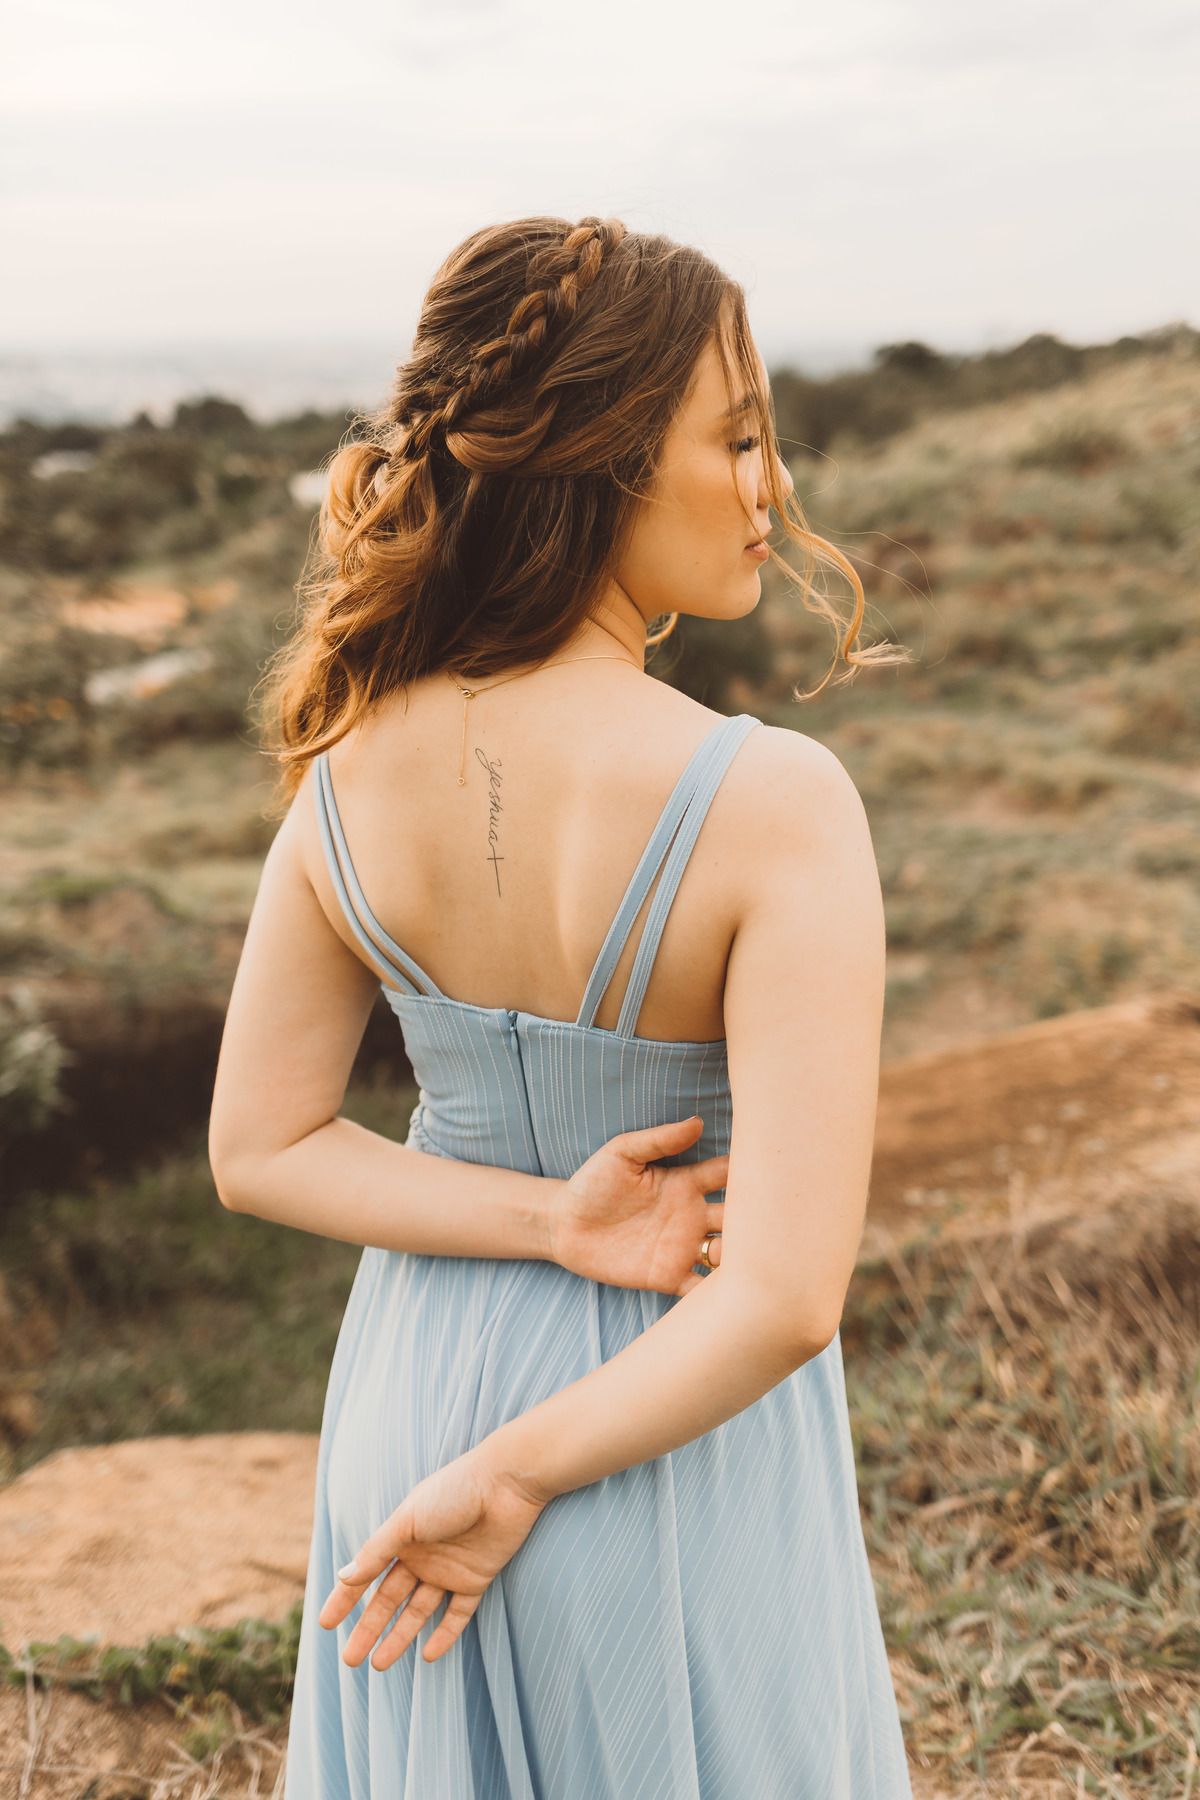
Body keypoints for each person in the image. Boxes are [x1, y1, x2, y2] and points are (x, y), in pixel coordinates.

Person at [209, 215, 910, 1800]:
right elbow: (785, 1296)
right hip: (655, 1424)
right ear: (598, 456)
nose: (770, 487)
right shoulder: (774, 800)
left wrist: (540, 1222)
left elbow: (261, 1148)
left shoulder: (345, 765)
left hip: (412, 1380)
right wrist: (515, 1475)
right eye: (736, 436)